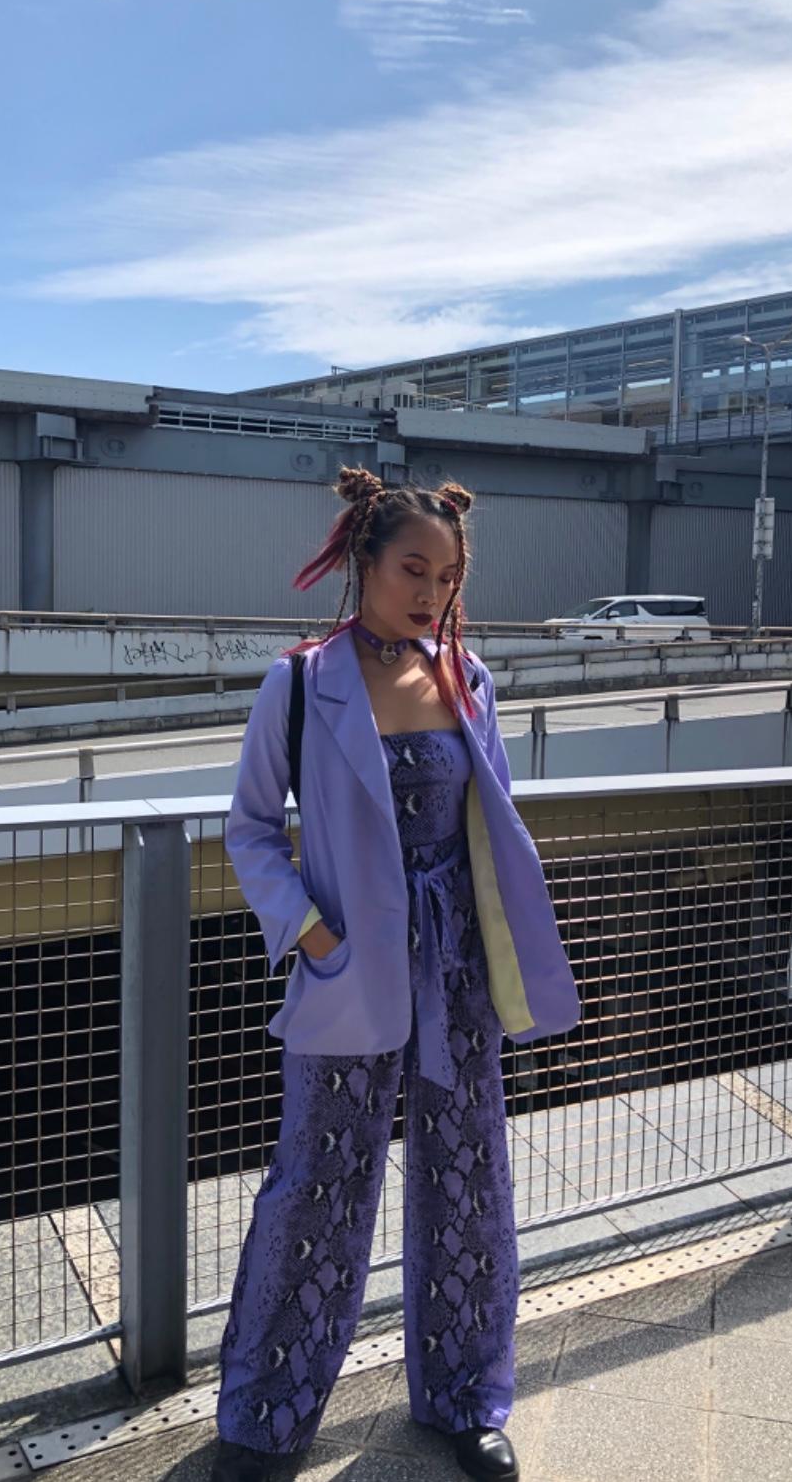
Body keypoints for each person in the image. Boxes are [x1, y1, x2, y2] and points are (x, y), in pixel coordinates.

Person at [214, 466, 580, 1482]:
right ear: (364, 561)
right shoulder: (300, 682)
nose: (432, 592)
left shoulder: (469, 679)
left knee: (468, 1177)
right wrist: (310, 934)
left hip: (458, 973)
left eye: (448, 576)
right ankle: (264, 1416)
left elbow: (489, 823)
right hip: (349, 971)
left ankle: (467, 1398)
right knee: (317, 1185)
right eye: (414, 569)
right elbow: (250, 827)